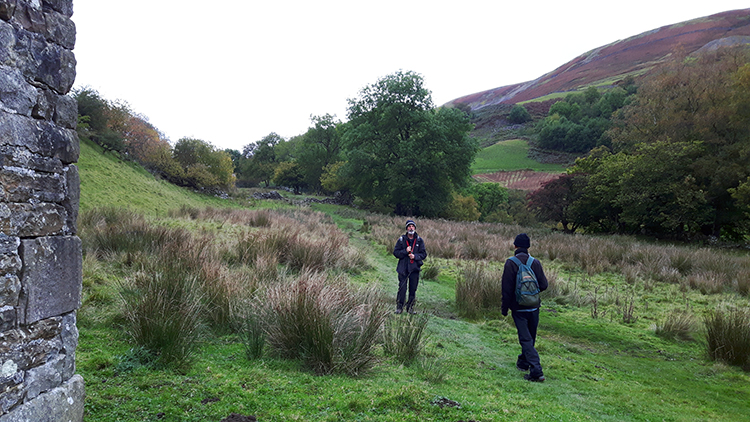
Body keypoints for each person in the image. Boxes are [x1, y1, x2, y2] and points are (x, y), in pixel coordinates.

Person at [501, 233, 548, 382]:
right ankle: (523, 362)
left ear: (515, 246)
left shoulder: (510, 263)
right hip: (534, 307)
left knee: (525, 339)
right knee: (530, 337)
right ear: (528, 247)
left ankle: (536, 371)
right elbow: (544, 285)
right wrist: (531, 294)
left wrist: (505, 308)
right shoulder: (536, 263)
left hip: (518, 308)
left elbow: (506, 290)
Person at [393, 220, 427, 314]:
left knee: (413, 290)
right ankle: (399, 308)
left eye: (412, 226)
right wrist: (405, 251)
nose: (411, 228)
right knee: (402, 289)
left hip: (414, 269)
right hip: (403, 269)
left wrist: (415, 256)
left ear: (415, 228)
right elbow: (395, 253)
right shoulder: (401, 240)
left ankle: (410, 308)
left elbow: (424, 254)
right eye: (409, 226)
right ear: (406, 228)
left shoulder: (419, 240)